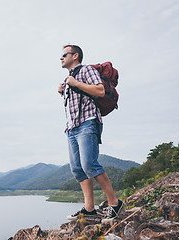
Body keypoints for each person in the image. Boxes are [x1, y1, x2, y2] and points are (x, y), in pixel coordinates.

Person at [57, 44, 123, 222]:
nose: (61, 58)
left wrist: (75, 83)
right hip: (72, 128)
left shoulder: (86, 70)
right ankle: (89, 209)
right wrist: (63, 90)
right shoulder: (68, 79)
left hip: (87, 124)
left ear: (75, 56)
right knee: (77, 169)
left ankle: (115, 203)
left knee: (89, 165)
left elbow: (100, 91)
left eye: (64, 54)